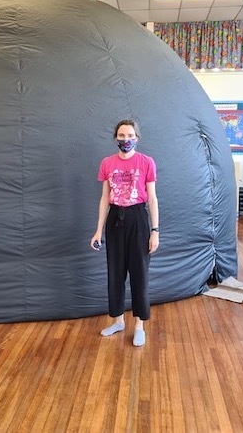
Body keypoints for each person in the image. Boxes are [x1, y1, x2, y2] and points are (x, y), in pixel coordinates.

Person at [90, 119, 159, 347]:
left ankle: (139, 325)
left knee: (139, 273)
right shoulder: (107, 163)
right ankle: (118, 320)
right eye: (121, 135)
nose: (125, 139)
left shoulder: (146, 162)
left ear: (137, 138)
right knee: (115, 273)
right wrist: (98, 230)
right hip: (115, 220)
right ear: (116, 137)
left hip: (138, 219)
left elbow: (152, 198)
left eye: (130, 135)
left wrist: (155, 231)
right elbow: (104, 198)